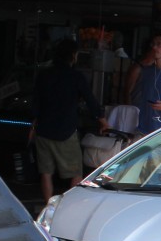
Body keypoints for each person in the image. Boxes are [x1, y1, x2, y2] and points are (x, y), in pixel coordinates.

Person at [32, 38, 109, 201]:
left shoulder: (43, 75)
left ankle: (48, 206)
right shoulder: (76, 76)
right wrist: (102, 120)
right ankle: (68, 206)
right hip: (65, 130)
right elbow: (91, 100)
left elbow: (36, 102)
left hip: (43, 130)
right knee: (76, 172)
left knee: (46, 173)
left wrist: (33, 125)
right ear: (73, 56)